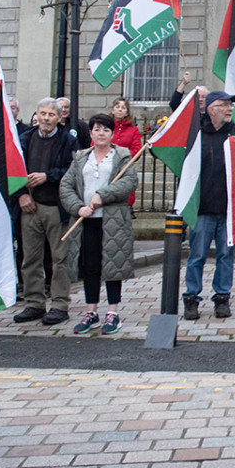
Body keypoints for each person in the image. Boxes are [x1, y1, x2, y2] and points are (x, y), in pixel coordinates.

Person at [59, 115, 138, 335]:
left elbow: (129, 182)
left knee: (112, 266)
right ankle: (91, 311)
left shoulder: (122, 156)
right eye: (97, 129)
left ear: (112, 134)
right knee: (90, 265)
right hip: (87, 221)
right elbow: (66, 186)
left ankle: (112, 312)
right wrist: (78, 207)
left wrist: (102, 195)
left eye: (106, 130)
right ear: (91, 133)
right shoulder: (81, 157)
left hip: (112, 221)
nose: (101, 133)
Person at [11, 99, 76, 325]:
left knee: (60, 258)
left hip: (55, 207)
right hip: (29, 206)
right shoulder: (25, 139)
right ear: (36, 115)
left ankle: (59, 304)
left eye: (51, 114)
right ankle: (34, 303)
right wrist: (21, 194)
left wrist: (48, 176)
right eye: (42, 113)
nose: (46, 118)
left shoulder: (68, 140)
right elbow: (13, 169)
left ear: (59, 118)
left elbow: (72, 170)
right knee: (30, 258)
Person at [185, 91, 235, 320]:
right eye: (224, 105)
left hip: (229, 209)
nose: (230, 109)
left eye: (231, 105)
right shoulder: (196, 135)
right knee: (197, 255)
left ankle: (222, 297)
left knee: (225, 255)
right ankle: (191, 298)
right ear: (211, 108)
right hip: (202, 209)